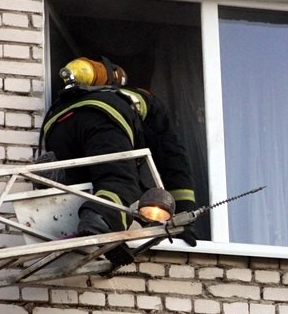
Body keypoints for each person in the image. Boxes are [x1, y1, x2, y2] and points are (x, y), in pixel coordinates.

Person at [39, 56, 199, 265]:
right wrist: (185, 214)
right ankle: (100, 219)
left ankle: (75, 217)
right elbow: (172, 158)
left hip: (56, 129)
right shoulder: (142, 99)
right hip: (102, 120)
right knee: (119, 182)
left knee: (79, 185)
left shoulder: (68, 99)